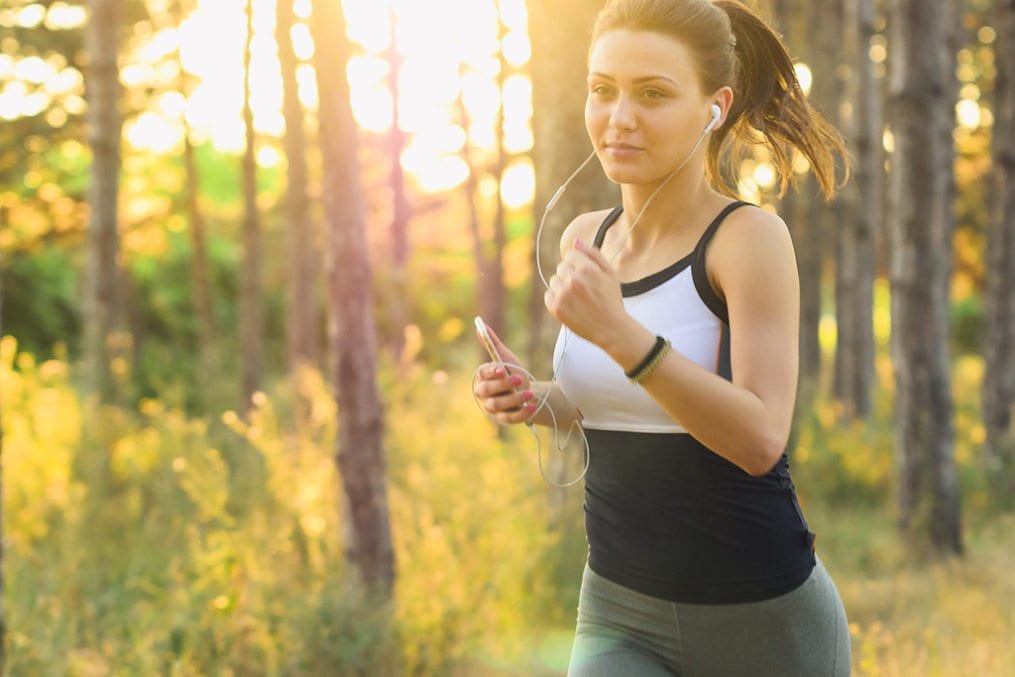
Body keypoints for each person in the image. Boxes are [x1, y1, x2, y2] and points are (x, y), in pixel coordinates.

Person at [473, 0, 851, 674]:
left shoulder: (745, 240)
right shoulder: (583, 237)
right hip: (619, 607)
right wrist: (536, 397)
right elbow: (618, 401)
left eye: (652, 94)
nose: (619, 118)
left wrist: (621, 334)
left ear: (714, 106)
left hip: (760, 618)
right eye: (602, 90)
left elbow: (759, 438)